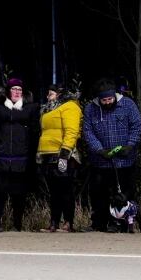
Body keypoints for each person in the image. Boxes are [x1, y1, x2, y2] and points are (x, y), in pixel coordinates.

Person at [82, 77, 141, 232]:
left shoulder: (128, 104)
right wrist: (99, 149)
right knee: (98, 193)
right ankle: (98, 223)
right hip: (101, 160)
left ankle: (120, 223)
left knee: (123, 192)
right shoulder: (91, 108)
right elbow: (88, 132)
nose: (108, 102)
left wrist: (130, 145)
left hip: (125, 161)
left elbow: (137, 126)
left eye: (110, 99)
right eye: (104, 100)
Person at [0, 78, 40, 232]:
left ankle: (17, 224)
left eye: (19, 90)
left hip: (22, 158)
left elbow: (35, 133)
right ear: (8, 91)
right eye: (14, 89)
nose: (16, 92)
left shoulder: (31, 108)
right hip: (0, 157)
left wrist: (36, 154)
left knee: (19, 193)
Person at [37, 84, 82, 232]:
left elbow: (72, 131)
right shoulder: (48, 109)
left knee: (66, 190)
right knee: (54, 192)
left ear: (59, 94)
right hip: (48, 155)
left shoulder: (70, 106)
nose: (48, 96)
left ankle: (68, 223)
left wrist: (64, 154)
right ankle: (54, 223)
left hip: (63, 155)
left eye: (51, 94)